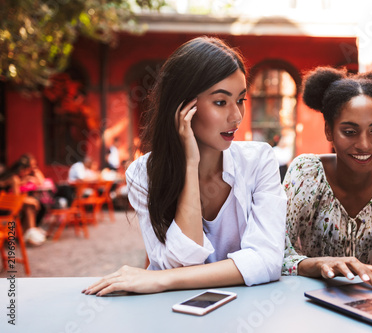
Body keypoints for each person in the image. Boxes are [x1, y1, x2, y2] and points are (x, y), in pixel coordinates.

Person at [83, 36, 286, 296]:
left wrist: (162, 280)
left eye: (241, 100)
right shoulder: (143, 174)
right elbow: (182, 262)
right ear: (183, 106)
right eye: (221, 102)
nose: (236, 116)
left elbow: (267, 261)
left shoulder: (259, 161)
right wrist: (190, 165)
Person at [282, 67, 372, 292]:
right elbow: (274, 254)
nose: (365, 144)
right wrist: (318, 263)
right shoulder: (306, 174)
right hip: (311, 305)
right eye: (350, 132)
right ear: (329, 132)